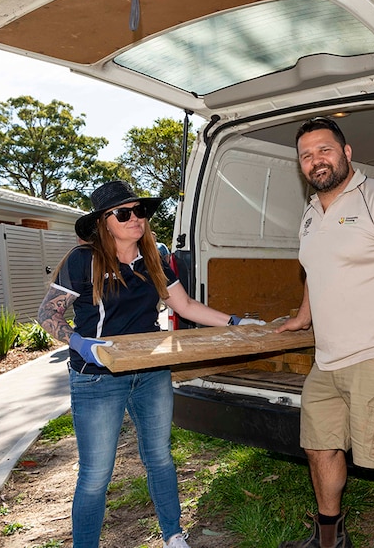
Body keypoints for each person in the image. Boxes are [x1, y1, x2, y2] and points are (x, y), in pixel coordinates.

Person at [38, 180, 262, 548]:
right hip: (97, 378)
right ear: (103, 223)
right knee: (95, 475)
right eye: (123, 213)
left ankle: (173, 535)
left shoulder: (154, 256)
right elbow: (47, 313)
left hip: (150, 372)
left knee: (159, 457)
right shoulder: (83, 260)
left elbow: (185, 306)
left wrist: (237, 323)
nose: (135, 218)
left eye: (139, 210)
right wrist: (79, 343)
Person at [276, 118, 374, 548]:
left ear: (346, 153)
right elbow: (315, 270)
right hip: (327, 360)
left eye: (324, 150)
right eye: (306, 155)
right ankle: (329, 539)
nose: (316, 161)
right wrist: (303, 316)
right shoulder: (311, 213)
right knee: (318, 448)